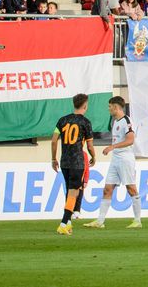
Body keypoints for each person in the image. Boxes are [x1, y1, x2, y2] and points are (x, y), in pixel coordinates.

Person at [84, 96, 142, 229]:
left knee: (131, 188)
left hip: (125, 158)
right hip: (116, 158)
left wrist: (112, 147)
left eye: (110, 106)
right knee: (107, 189)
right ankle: (100, 221)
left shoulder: (126, 121)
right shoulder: (115, 121)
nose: (108, 109)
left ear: (116, 107)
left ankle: (137, 220)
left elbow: (130, 140)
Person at [51, 93, 96, 236]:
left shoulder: (62, 120)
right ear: (85, 105)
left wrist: (53, 158)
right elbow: (89, 145)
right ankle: (63, 223)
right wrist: (94, 156)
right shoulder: (85, 122)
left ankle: (68, 222)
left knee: (71, 190)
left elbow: (53, 140)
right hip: (77, 162)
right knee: (73, 191)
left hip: (64, 161)